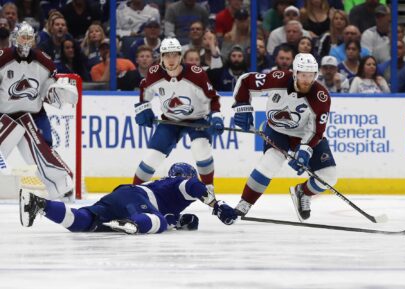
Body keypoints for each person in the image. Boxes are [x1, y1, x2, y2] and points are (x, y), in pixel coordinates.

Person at [232, 53, 337, 221]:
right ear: (295, 73)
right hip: (277, 131)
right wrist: (242, 107)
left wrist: (304, 151)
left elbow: (316, 130)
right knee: (270, 162)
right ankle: (244, 203)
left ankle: (302, 192)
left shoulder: (321, 96)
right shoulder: (277, 78)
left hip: (304, 134)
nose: (306, 80)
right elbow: (245, 81)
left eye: (311, 76)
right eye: (303, 75)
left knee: (329, 176)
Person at [20, 162, 238, 234]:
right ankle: (132, 223)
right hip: (137, 199)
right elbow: (193, 186)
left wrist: (180, 221)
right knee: (157, 223)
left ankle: (40, 204)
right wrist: (217, 205)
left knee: (83, 221)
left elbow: (168, 214)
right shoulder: (178, 184)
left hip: (119, 196)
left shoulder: (164, 189)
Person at [133, 37, 224, 195]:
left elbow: (212, 98)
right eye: (167, 55)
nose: (171, 59)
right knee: (153, 156)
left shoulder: (196, 74)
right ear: (161, 57)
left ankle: (209, 188)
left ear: (180, 56)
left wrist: (216, 116)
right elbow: (144, 87)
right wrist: (143, 107)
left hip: (198, 119)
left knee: (200, 149)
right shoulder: (154, 73)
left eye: (175, 55)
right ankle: (132, 192)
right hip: (170, 121)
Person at [0, 22, 79, 201]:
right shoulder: (3, 58)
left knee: (43, 152)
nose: (26, 41)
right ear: (14, 38)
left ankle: (61, 187)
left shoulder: (44, 61)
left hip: (32, 116)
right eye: (23, 37)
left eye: (29, 37)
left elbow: (47, 90)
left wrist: (56, 92)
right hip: (4, 117)